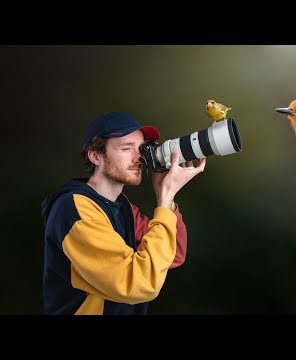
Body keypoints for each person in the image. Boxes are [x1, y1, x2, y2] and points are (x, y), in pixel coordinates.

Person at [41, 112, 206, 315]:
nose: (138, 158)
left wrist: (167, 201)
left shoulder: (122, 207)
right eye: (126, 148)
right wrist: (164, 201)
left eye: (141, 148)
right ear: (95, 156)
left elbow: (173, 254)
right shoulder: (74, 210)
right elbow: (140, 283)